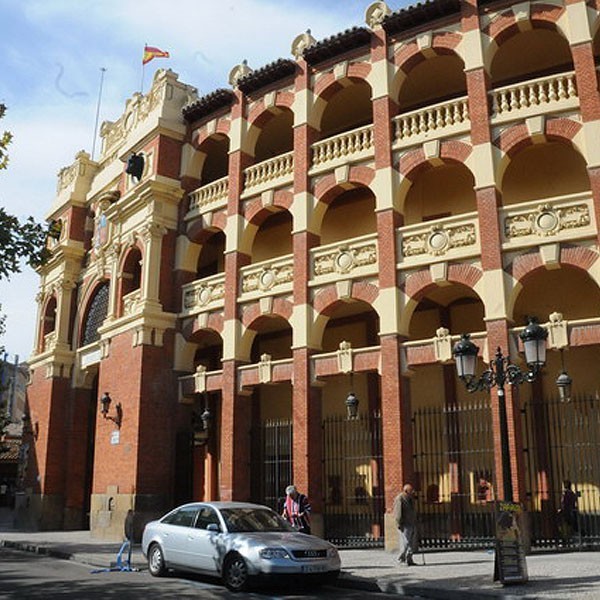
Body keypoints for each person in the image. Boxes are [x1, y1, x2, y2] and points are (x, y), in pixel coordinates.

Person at [393, 483, 419, 566]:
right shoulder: (400, 498)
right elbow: (398, 512)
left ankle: (409, 559)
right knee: (405, 543)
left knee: (410, 542)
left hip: (411, 523)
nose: (413, 492)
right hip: (404, 524)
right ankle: (401, 559)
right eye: (411, 491)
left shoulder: (410, 498)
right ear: (406, 491)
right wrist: (398, 523)